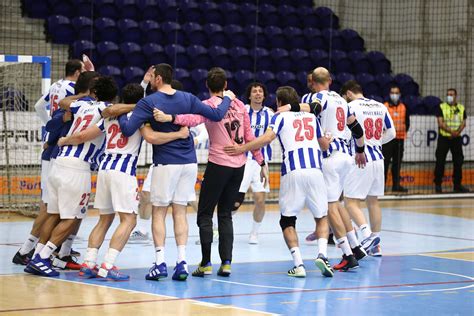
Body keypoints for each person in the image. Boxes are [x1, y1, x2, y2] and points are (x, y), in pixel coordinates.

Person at [117, 64, 235, 281]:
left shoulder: (148, 102)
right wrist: (227, 97)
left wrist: (122, 114)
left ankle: (160, 263)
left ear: (159, 79)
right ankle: (182, 263)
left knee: (159, 212)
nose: (151, 81)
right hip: (189, 163)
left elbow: (127, 130)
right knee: (180, 211)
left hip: (166, 162)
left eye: (152, 77)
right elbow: (217, 114)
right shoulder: (188, 98)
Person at [153, 67, 268, 278]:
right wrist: (260, 162)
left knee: (205, 213)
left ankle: (206, 262)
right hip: (239, 166)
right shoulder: (240, 105)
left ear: (207, 86)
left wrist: (169, 118)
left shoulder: (207, 106)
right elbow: (250, 137)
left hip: (218, 165)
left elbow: (191, 120)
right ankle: (226, 263)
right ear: (225, 85)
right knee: (226, 215)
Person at [225, 86, 331, 278]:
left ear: (280, 103)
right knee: (321, 216)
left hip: (293, 171)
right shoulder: (312, 118)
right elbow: (324, 145)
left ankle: (298, 264)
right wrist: (329, 139)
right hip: (315, 170)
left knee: (288, 220)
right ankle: (322, 255)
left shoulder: (279, 116)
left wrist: (243, 148)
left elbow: (266, 139)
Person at [25, 76, 118, 277]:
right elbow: (85, 135)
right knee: (72, 218)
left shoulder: (81, 106)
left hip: (58, 164)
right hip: (77, 168)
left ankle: (36, 257)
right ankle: (44, 257)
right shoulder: (107, 111)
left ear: (94, 92)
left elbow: (63, 102)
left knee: (53, 213)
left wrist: (84, 96)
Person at [281, 68, 368, 273]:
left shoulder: (316, 97)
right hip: (347, 156)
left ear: (313, 81)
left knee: (328, 207)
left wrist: (288, 107)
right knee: (336, 204)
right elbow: (357, 129)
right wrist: (361, 150)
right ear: (330, 80)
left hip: (330, 157)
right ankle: (355, 246)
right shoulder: (341, 100)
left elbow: (312, 107)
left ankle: (347, 254)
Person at [12, 60, 85, 266]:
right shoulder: (74, 90)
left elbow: (38, 106)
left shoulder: (56, 85)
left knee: (54, 204)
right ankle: (30, 250)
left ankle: (51, 249)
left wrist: (48, 130)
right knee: (53, 205)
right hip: (59, 150)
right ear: (79, 73)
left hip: (53, 146)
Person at [340, 80, 396, 257]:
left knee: (350, 201)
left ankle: (366, 235)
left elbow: (346, 133)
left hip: (360, 158)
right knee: (373, 201)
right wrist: (377, 143)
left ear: (348, 94)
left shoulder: (351, 107)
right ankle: (376, 245)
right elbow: (392, 133)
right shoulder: (381, 106)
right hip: (379, 159)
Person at [233, 82, 273, 245]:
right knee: (235, 201)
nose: (257, 93)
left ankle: (254, 233)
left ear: (264, 95)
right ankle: (219, 227)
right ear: (249, 95)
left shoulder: (270, 114)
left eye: (260, 91)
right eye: (254, 91)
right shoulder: (242, 111)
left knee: (260, 199)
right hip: (243, 160)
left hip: (261, 162)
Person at [434, 88, 469, 193]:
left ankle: (457, 185)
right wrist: (451, 132)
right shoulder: (441, 107)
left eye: (451, 94)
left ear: (456, 96)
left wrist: (457, 133)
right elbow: (440, 123)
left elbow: (463, 123)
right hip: (444, 138)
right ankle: (438, 185)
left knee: (458, 162)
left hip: (456, 139)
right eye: (448, 94)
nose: (449, 96)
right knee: (440, 161)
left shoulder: (461, 108)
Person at [382, 85, 409, 192]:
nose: (394, 95)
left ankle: (396, 185)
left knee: (397, 164)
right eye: (392, 93)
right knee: (385, 164)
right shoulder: (385, 106)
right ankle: (381, 186)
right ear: (389, 94)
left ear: (400, 94)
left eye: (396, 93)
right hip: (387, 140)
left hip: (399, 140)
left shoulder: (403, 107)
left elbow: (407, 122)